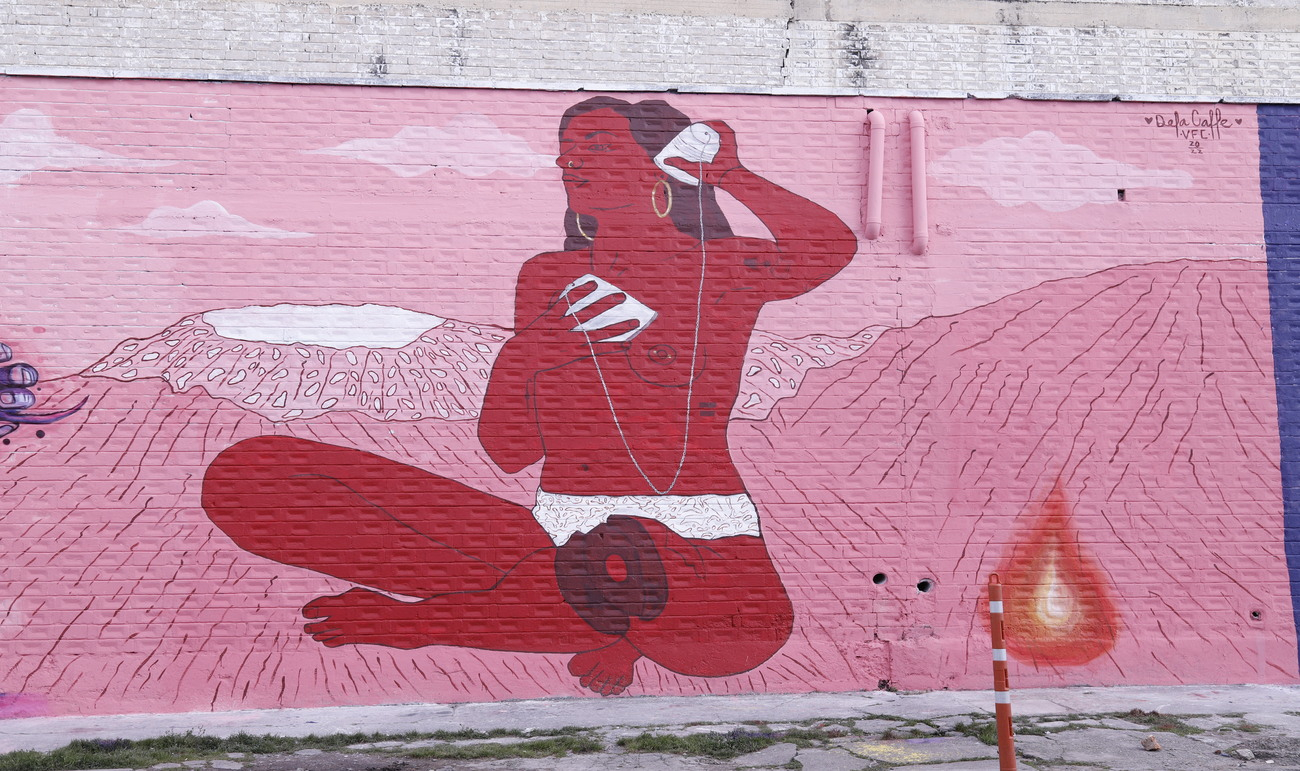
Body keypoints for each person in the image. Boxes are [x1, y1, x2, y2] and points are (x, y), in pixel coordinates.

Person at [201, 97, 857, 696]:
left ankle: (488, 615)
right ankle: (599, 611)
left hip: (700, 545)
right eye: (567, 153)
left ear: (661, 170)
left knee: (742, 632)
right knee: (247, 478)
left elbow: (829, 248)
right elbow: (509, 449)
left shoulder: (722, 267)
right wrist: (533, 352)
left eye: (597, 146)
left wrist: (731, 176)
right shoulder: (551, 277)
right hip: (560, 528)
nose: (573, 162)